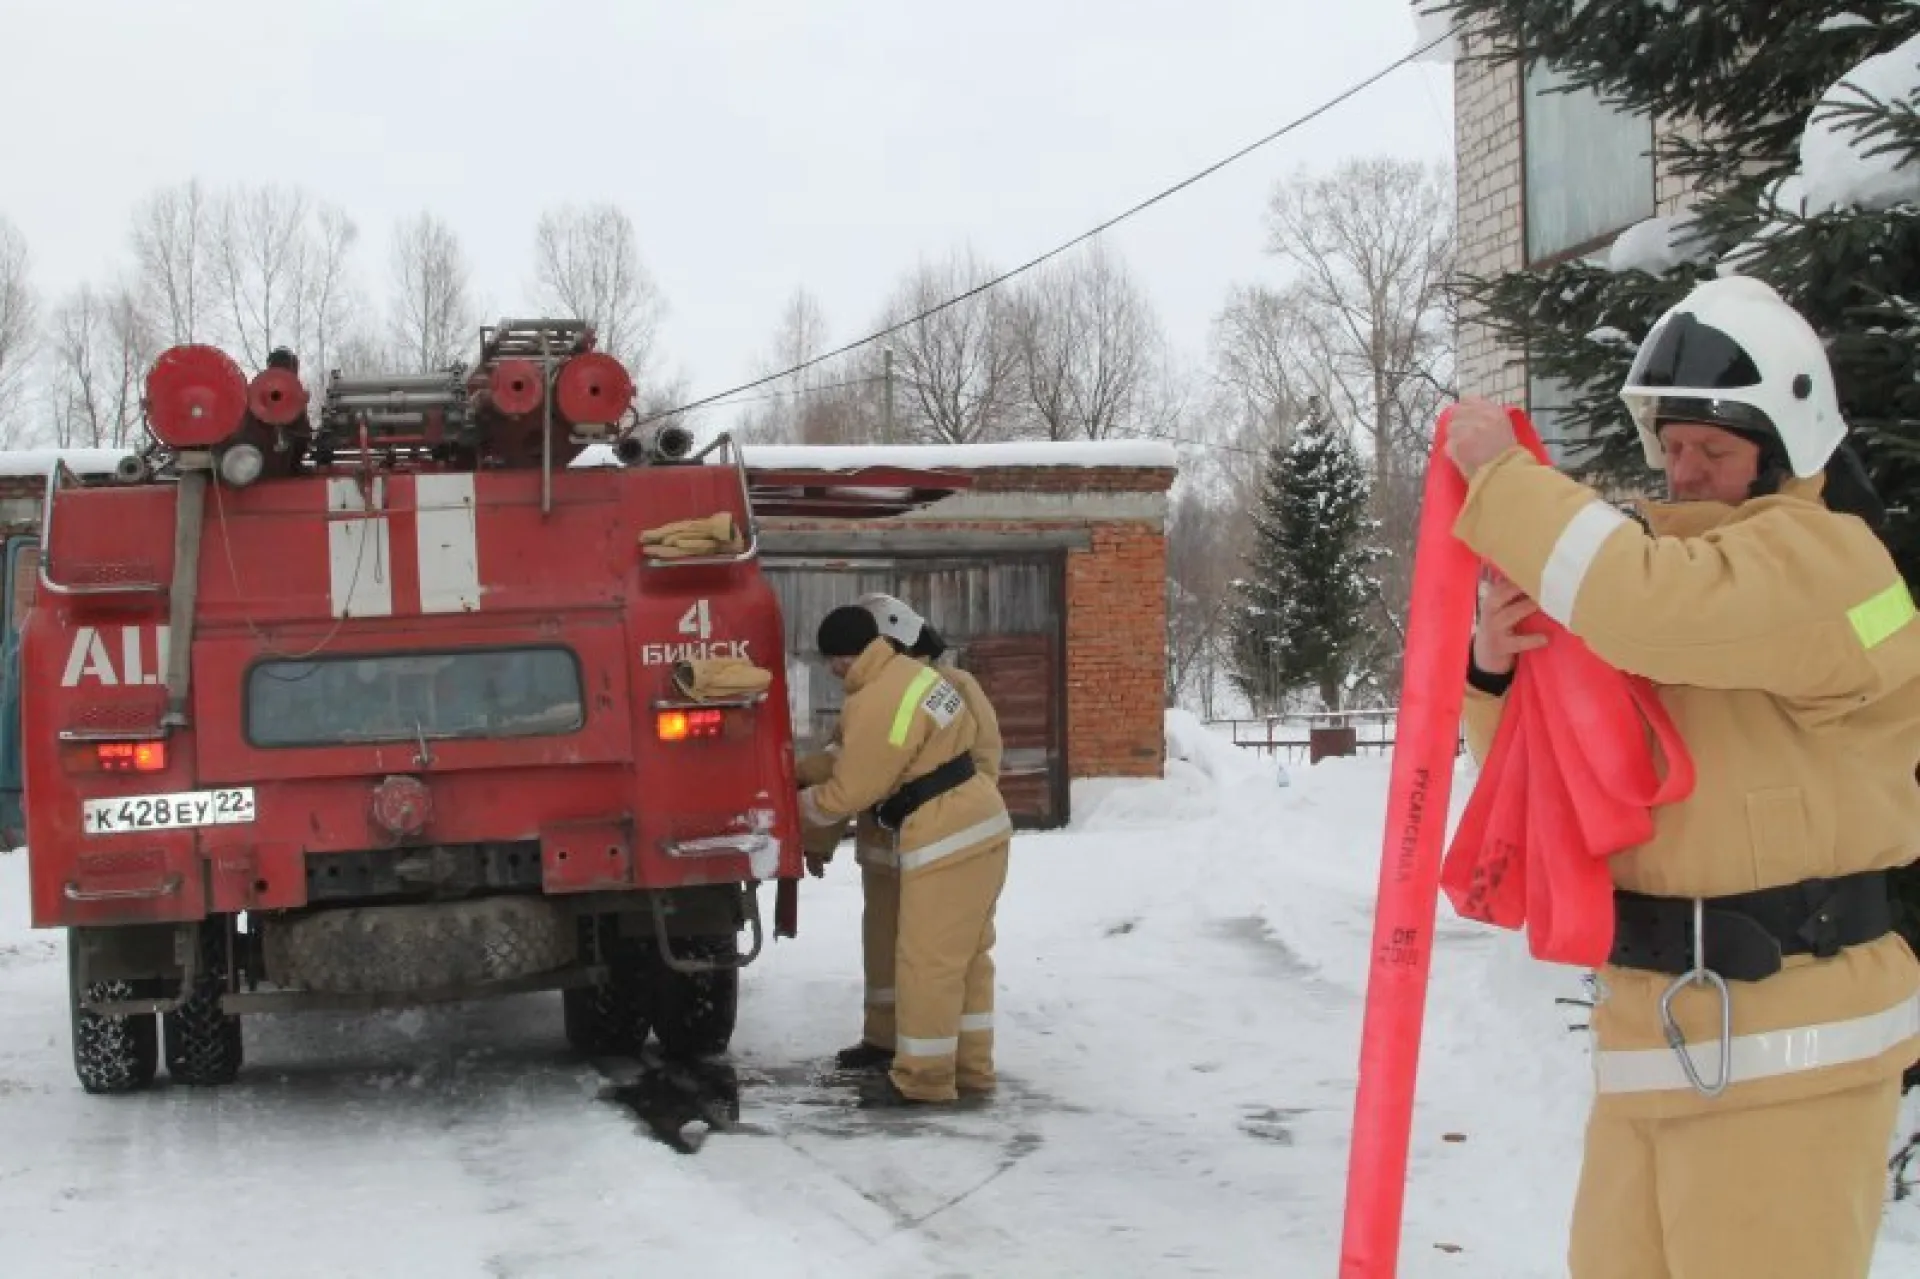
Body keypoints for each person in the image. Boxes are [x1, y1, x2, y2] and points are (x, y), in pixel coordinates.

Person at [1451, 274, 1920, 1279]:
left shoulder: (1840, 570)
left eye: (1715, 449)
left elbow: (1655, 608)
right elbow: (1549, 785)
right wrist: (1495, 667)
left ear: (1786, 446)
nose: (1687, 472)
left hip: (1795, 1051)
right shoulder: (1669, 581)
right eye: (1672, 449)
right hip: (1658, 1038)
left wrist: (1503, 486)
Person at [796, 604, 1012, 1107]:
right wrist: (802, 769)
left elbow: (851, 787)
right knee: (967, 959)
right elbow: (855, 758)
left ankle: (924, 1079)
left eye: (834, 660)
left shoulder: (878, 699)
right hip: (977, 826)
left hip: (945, 833)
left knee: (927, 962)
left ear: (846, 656)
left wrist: (797, 809)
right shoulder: (914, 678)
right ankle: (970, 1067)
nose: (832, 670)